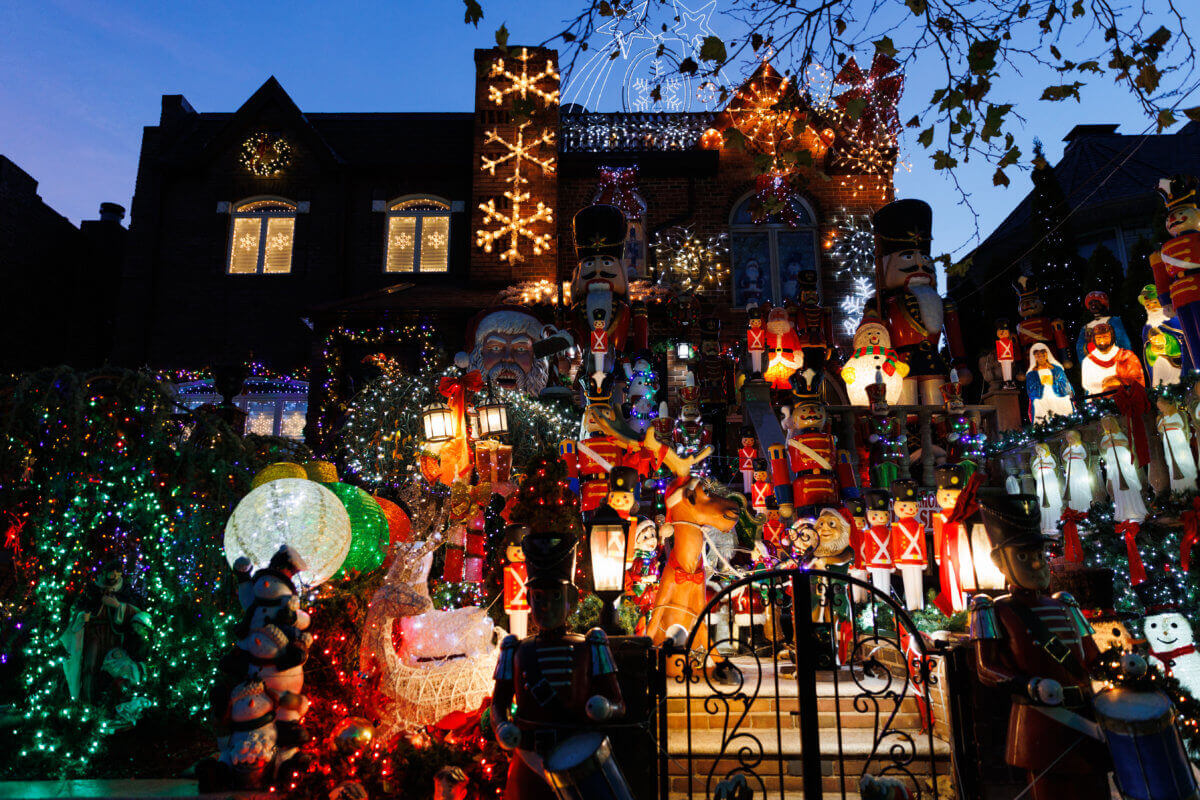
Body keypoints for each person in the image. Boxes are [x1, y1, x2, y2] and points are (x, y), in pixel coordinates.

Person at [970, 494, 1111, 800]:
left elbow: (1092, 656)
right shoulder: (992, 609)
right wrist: (1028, 684)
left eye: (1039, 553)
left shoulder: (1065, 604)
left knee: (1095, 789)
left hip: (1085, 718)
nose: (1036, 562)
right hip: (1041, 722)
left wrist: (1119, 667)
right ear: (1000, 561)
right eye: (1023, 556)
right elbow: (986, 668)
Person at [491, 528, 626, 800]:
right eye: (538, 597)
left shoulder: (592, 645)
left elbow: (619, 705)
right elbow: (498, 704)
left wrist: (606, 709)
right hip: (528, 761)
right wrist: (502, 727)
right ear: (528, 600)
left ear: (572, 599)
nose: (545, 607)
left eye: (555, 597)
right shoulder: (514, 649)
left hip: (579, 763)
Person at [1079, 322, 1144, 396]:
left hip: (1126, 398)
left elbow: (1137, 379)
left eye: (1105, 337)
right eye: (1098, 338)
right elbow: (1088, 384)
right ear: (1094, 340)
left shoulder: (1126, 356)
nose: (1102, 340)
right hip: (1101, 401)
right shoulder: (1088, 361)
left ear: (1112, 337)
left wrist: (1118, 382)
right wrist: (1106, 385)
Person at [1024, 343, 1074, 423]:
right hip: (1041, 395)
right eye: (1038, 356)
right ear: (1034, 357)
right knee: (1038, 403)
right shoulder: (1031, 374)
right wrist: (1041, 384)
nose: (1041, 357)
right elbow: (1030, 390)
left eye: (1043, 355)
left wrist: (1053, 383)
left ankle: (1066, 421)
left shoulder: (1057, 369)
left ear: (1047, 355)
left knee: (1065, 400)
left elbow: (1065, 384)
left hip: (1058, 393)